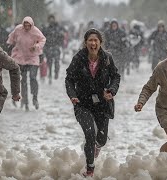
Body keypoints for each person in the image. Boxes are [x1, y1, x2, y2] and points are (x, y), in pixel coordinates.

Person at [65, 28, 121, 177]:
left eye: (96, 40)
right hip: (82, 103)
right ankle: (90, 170)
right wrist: (72, 95)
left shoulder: (107, 58)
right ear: (85, 43)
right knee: (89, 133)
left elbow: (116, 76)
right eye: (90, 40)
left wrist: (111, 90)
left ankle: (96, 146)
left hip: (102, 104)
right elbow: (69, 79)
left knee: (101, 140)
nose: (93, 43)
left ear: (100, 43)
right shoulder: (79, 58)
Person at [7, 16, 46, 111]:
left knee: (33, 77)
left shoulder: (35, 31)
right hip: (20, 57)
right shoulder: (18, 29)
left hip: (33, 57)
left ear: (31, 25)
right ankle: (25, 100)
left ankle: (35, 97)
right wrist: (9, 44)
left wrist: (36, 46)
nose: (27, 27)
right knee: (23, 80)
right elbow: (11, 38)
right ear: (23, 24)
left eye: (29, 25)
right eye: (25, 25)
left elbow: (43, 40)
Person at [42, 15, 65, 84]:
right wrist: (44, 47)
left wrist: (61, 44)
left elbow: (62, 36)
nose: (51, 21)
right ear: (48, 20)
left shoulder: (58, 28)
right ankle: (50, 76)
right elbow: (43, 37)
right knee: (49, 64)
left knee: (57, 62)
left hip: (56, 47)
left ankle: (56, 73)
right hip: (48, 48)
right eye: (50, 19)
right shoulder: (46, 28)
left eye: (52, 19)